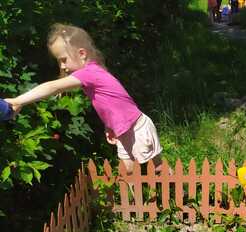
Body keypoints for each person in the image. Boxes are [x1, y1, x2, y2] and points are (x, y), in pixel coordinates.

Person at [5, 24, 162, 174]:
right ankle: (135, 200)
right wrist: (110, 126)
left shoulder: (90, 73)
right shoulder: (94, 71)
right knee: (129, 171)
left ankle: (177, 192)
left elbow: (52, 87)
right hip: (125, 129)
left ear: (81, 54)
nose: (62, 66)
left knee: (154, 168)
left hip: (136, 128)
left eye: (63, 59)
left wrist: (18, 100)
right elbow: (114, 103)